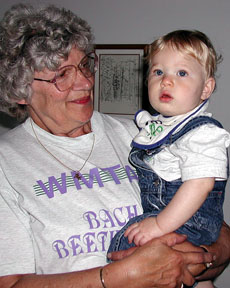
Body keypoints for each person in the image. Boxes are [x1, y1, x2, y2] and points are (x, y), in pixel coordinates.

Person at [0, 4, 228, 287]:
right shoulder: (6, 163)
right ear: (20, 89)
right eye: (61, 74)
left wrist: (196, 259)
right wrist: (121, 276)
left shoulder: (145, 135)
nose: (85, 82)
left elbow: (217, 228)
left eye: (85, 64)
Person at [108, 30, 230, 287]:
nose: (166, 81)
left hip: (188, 219)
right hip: (175, 219)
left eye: (181, 73)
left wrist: (159, 225)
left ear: (206, 88)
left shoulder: (203, 133)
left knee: (126, 246)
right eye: (158, 72)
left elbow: (200, 184)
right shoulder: (160, 125)